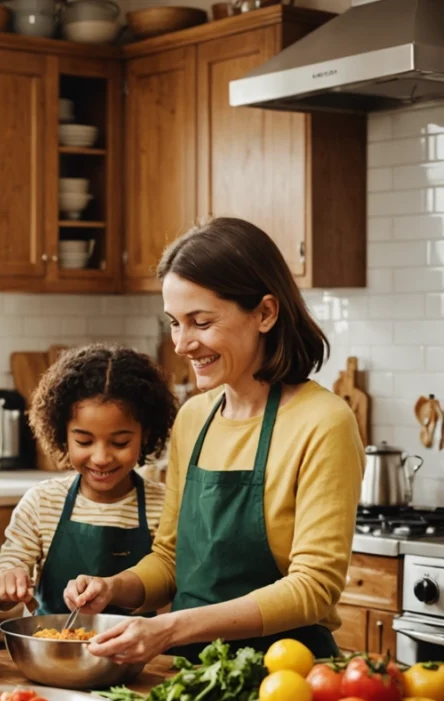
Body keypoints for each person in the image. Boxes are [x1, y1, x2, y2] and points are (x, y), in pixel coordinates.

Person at [65, 217, 364, 663]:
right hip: (191, 673)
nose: (183, 344)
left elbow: (314, 589)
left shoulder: (323, 421)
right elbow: (170, 560)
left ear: (265, 313)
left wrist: (169, 627)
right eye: (174, 323)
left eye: (200, 322)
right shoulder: (195, 418)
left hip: (288, 677)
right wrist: (114, 587)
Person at [0, 344, 174, 617]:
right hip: (50, 651)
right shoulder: (42, 502)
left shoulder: (164, 505)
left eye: (120, 442)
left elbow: (168, 584)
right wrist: (6, 583)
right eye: (84, 441)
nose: (101, 457)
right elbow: (7, 573)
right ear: (62, 434)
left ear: (145, 435)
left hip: (135, 653)